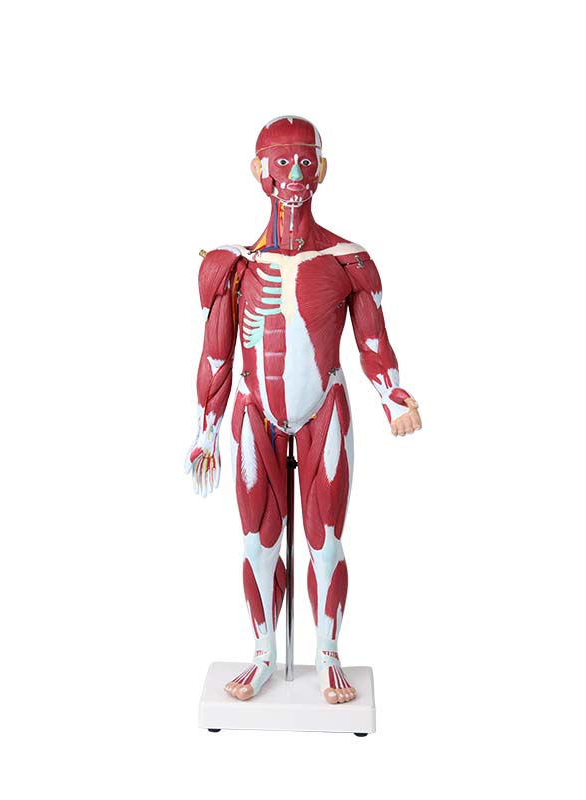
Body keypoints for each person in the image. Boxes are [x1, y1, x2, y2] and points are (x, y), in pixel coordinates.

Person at [186, 116, 421, 705]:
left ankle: (328, 653)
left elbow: (372, 339)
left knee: (326, 541)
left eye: (304, 161)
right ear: (258, 170)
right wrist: (205, 431)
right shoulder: (234, 265)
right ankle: (264, 652)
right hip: (254, 409)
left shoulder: (348, 260)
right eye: (281, 162)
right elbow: (216, 353)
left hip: (323, 407)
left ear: (322, 169)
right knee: (257, 543)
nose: (293, 174)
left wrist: (393, 395)